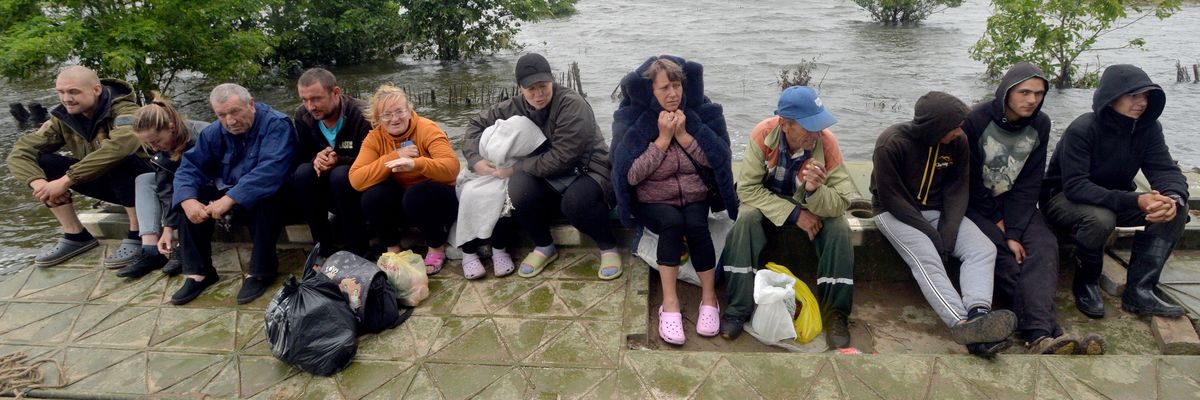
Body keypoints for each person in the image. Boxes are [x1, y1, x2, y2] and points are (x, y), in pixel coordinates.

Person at [964, 62, 1105, 355]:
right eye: (1024, 92)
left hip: (1018, 203)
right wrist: (1000, 225)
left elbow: (1030, 182)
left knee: (1044, 245)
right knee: (1006, 256)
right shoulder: (976, 120)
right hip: (977, 205)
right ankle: (1044, 332)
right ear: (1006, 92)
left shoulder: (1041, 124)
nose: (1032, 100)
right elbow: (968, 180)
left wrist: (1014, 230)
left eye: (1039, 94)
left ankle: (1043, 336)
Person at [871, 91, 1015, 358]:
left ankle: (979, 315)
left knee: (983, 249)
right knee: (927, 259)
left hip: (938, 211)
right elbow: (892, 198)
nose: (959, 132)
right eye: (954, 127)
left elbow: (957, 190)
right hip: (895, 213)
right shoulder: (890, 143)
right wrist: (932, 236)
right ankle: (961, 324)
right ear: (935, 127)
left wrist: (948, 232)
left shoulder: (958, 142)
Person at [1043, 64, 1190, 319]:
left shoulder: (1148, 128)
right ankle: (1086, 283)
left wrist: (1172, 198)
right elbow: (1076, 186)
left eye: (1145, 96)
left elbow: (1165, 170)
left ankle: (1139, 290)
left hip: (1114, 198)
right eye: (1133, 96)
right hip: (1063, 198)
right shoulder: (1083, 128)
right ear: (1111, 98)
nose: (1142, 103)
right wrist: (1136, 200)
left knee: (1175, 209)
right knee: (1101, 218)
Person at [717, 86, 857, 350]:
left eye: (819, 125)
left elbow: (841, 201)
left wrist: (815, 192)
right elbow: (747, 189)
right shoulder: (762, 135)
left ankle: (836, 315)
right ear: (785, 125)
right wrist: (794, 214)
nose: (817, 133)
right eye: (809, 127)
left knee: (839, 227)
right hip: (771, 207)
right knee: (746, 218)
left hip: (811, 207)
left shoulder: (826, 143)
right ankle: (738, 308)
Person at [612, 56, 737, 345]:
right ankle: (670, 303)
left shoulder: (703, 111)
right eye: (664, 88)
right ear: (651, 91)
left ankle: (710, 298)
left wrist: (684, 136)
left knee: (696, 224)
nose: (672, 94)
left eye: (677, 85)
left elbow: (717, 160)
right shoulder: (632, 118)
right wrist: (663, 140)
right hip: (652, 199)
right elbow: (629, 174)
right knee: (671, 222)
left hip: (694, 194)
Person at [462, 53, 620, 279]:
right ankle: (544, 245)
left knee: (575, 203)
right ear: (520, 88)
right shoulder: (516, 105)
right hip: (547, 173)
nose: (538, 94)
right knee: (518, 189)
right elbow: (476, 123)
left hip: (589, 170)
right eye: (531, 89)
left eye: (543, 86)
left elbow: (563, 157)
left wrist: (515, 168)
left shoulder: (572, 104)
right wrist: (474, 159)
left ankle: (608, 246)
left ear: (552, 80)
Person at [6, 66, 151, 268]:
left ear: (96, 90)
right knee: (43, 161)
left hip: (149, 186)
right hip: (110, 184)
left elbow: (122, 146)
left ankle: (138, 232)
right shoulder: (63, 118)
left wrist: (65, 181)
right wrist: (41, 185)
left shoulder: (127, 111)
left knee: (118, 156)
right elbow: (20, 151)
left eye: (73, 92)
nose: (66, 98)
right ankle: (76, 235)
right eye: (61, 92)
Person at [171, 83, 296, 305]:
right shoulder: (213, 132)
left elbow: (272, 170)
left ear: (251, 104)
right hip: (229, 193)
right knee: (189, 199)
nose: (230, 121)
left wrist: (230, 199)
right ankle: (199, 272)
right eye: (222, 115)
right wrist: (188, 200)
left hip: (271, 196)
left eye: (235, 112)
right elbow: (189, 167)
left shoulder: (276, 124)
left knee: (267, 198)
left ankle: (261, 271)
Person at [349, 85, 459, 274]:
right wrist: (393, 157)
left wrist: (416, 164)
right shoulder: (374, 138)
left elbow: (452, 168)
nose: (395, 119)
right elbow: (356, 179)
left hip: (438, 202)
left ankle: (436, 246)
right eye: (387, 115)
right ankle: (393, 248)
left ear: (409, 109)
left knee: (417, 194)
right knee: (372, 196)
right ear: (377, 119)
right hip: (405, 204)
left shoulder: (427, 128)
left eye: (399, 111)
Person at [116, 94, 209, 278]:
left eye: (156, 141)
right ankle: (150, 249)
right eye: (148, 143)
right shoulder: (162, 146)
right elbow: (165, 188)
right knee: (144, 180)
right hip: (181, 185)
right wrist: (167, 228)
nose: (153, 147)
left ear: (171, 128)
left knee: (185, 187)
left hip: (206, 187)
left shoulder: (201, 136)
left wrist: (172, 228)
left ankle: (183, 245)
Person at [292, 68, 372, 260]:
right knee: (303, 173)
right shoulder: (302, 116)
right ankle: (322, 247)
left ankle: (358, 249)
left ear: (336, 92)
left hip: (356, 188)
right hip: (326, 188)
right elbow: (303, 155)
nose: (310, 106)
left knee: (340, 174)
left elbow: (372, 160)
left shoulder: (363, 114)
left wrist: (338, 160)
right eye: (304, 100)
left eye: (316, 99)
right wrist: (316, 159)